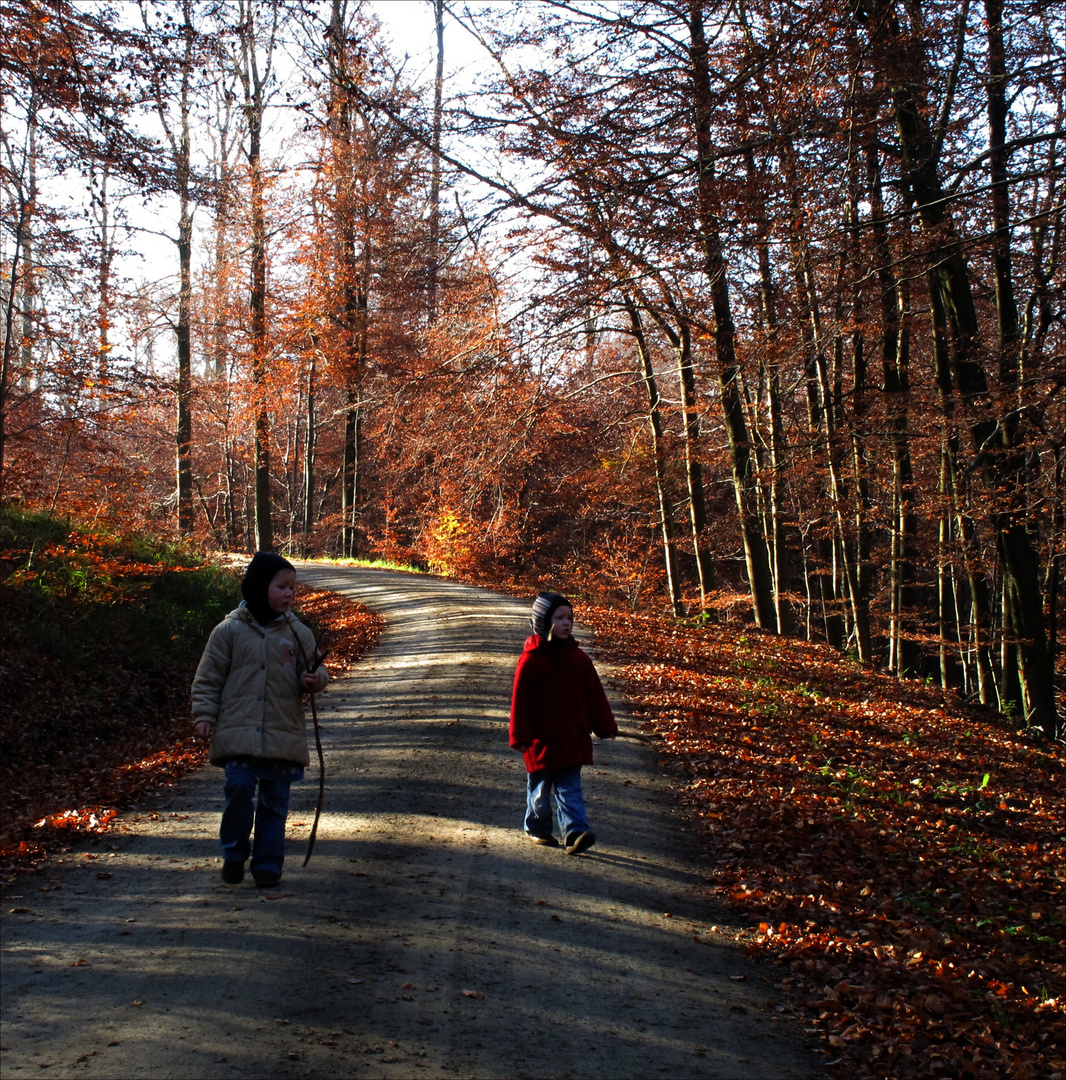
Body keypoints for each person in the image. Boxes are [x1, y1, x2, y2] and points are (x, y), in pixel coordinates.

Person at [192, 552, 328, 887]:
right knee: (238, 790)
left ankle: (268, 863)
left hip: (282, 734)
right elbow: (208, 678)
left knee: (275, 802)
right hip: (238, 731)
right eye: (281, 587)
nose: (288, 594)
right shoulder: (228, 631)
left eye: (292, 588)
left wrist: (315, 679)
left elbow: (313, 670)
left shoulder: (299, 634)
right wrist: (204, 715)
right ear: (258, 586)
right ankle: (234, 853)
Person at [509, 591, 618, 855]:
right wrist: (520, 736)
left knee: (570, 789)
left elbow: (595, 697)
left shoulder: (579, 660)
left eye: (569, 617)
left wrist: (604, 725)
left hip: (572, 738)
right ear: (544, 622)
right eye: (559, 618)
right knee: (540, 791)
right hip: (541, 740)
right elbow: (520, 703)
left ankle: (575, 833)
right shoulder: (531, 661)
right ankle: (537, 827)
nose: (566, 623)